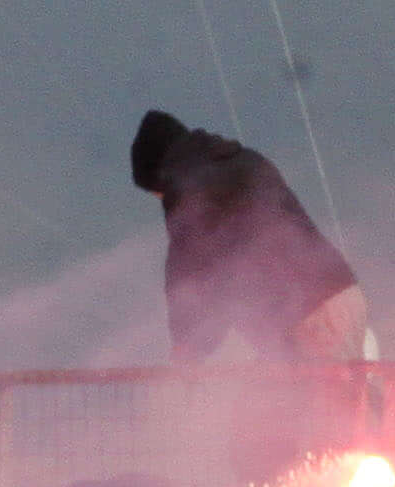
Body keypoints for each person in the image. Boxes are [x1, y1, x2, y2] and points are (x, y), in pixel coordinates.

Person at [129, 109, 366, 369]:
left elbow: (191, 273)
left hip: (307, 316)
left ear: (159, 174)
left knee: (316, 405)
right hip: (340, 295)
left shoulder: (188, 188)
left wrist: (188, 346)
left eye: (157, 193)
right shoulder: (242, 160)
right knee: (342, 398)